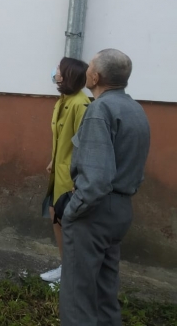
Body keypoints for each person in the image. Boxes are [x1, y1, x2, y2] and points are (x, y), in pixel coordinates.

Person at [53, 49, 150, 326]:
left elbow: (96, 180)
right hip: (120, 209)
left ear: (95, 77)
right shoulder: (135, 109)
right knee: (104, 292)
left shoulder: (99, 110)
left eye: (90, 67)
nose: (86, 71)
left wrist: (72, 211)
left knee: (78, 298)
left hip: (94, 212)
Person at [39, 57, 90, 284]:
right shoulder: (63, 100)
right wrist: (54, 159)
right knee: (55, 215)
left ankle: (71, 275)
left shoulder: (81, 104)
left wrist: (78, 179)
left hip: (71, 176)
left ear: (67, 74)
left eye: (59, 68)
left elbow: (84, 144)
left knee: (68, 223)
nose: (55, 71)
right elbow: (63, 137)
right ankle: (65, 267)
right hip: (59, 171)